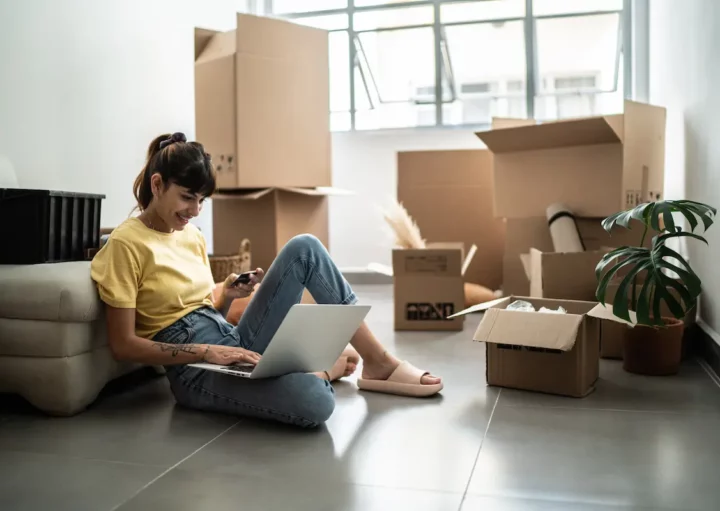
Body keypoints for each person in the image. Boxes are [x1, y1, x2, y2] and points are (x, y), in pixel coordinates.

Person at [90, 132, 443, 428]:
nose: (195, 211)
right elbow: (123, 344)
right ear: (157, 184)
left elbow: (200, 305)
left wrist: (227, 294)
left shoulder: (190, 235)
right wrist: (208, 351)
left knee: (304, 247)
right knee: (316, 404)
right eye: (187, 197)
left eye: (202, 200)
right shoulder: (125, 245)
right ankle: (318, 370)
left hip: (229, 340)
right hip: (194, 373)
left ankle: (379, 362)